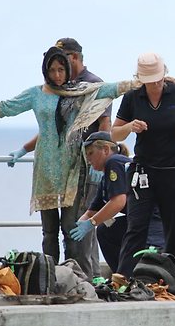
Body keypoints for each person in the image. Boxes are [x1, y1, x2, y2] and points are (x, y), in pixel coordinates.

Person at [0, 46, 137, 264]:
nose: (57, 75)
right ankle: (51, 276)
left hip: (73, 168)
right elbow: (3, 108)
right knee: (49, 233)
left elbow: (113, 89)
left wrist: (145, 79)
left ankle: (76, 277)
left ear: (67, 70)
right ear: (45, 71)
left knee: (72, 230)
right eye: (52, 70)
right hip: (46, 168)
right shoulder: (36, 94)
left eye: (61, 69)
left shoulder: (80, 91)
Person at [8, 37, 111, 280]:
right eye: (53, 66)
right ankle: (61, 276)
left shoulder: (91, 85)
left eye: (61, 61)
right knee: (69, 228)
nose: (57, 69)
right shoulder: (63, 86)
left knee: (81, 227)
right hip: (66, 167)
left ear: (72, 58)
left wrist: (103, 159)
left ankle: (87, 277)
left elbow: (105, 123)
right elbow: (51, 129)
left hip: (88, 165)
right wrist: (24, 149)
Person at [112, 52, 175, 278]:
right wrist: (130, 127)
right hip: (143, 171)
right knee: (136, 227)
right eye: (149, 79)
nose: (155, 84)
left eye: (158, 78)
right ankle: (123, 279)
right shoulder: (133, 97)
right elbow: (114, 134)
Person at [70, 131, 165, 273]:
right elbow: (93, 210)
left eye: (90, 153)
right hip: (138, 221)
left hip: (152, 223)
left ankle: (127, 277)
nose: (88, 160)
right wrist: (80, 224)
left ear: (106, 150)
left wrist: (92, 223)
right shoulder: (105, 179)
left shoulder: (114, 162)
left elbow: (118, 201)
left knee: (150, 263)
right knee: (105, 231)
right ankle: (122, 276)